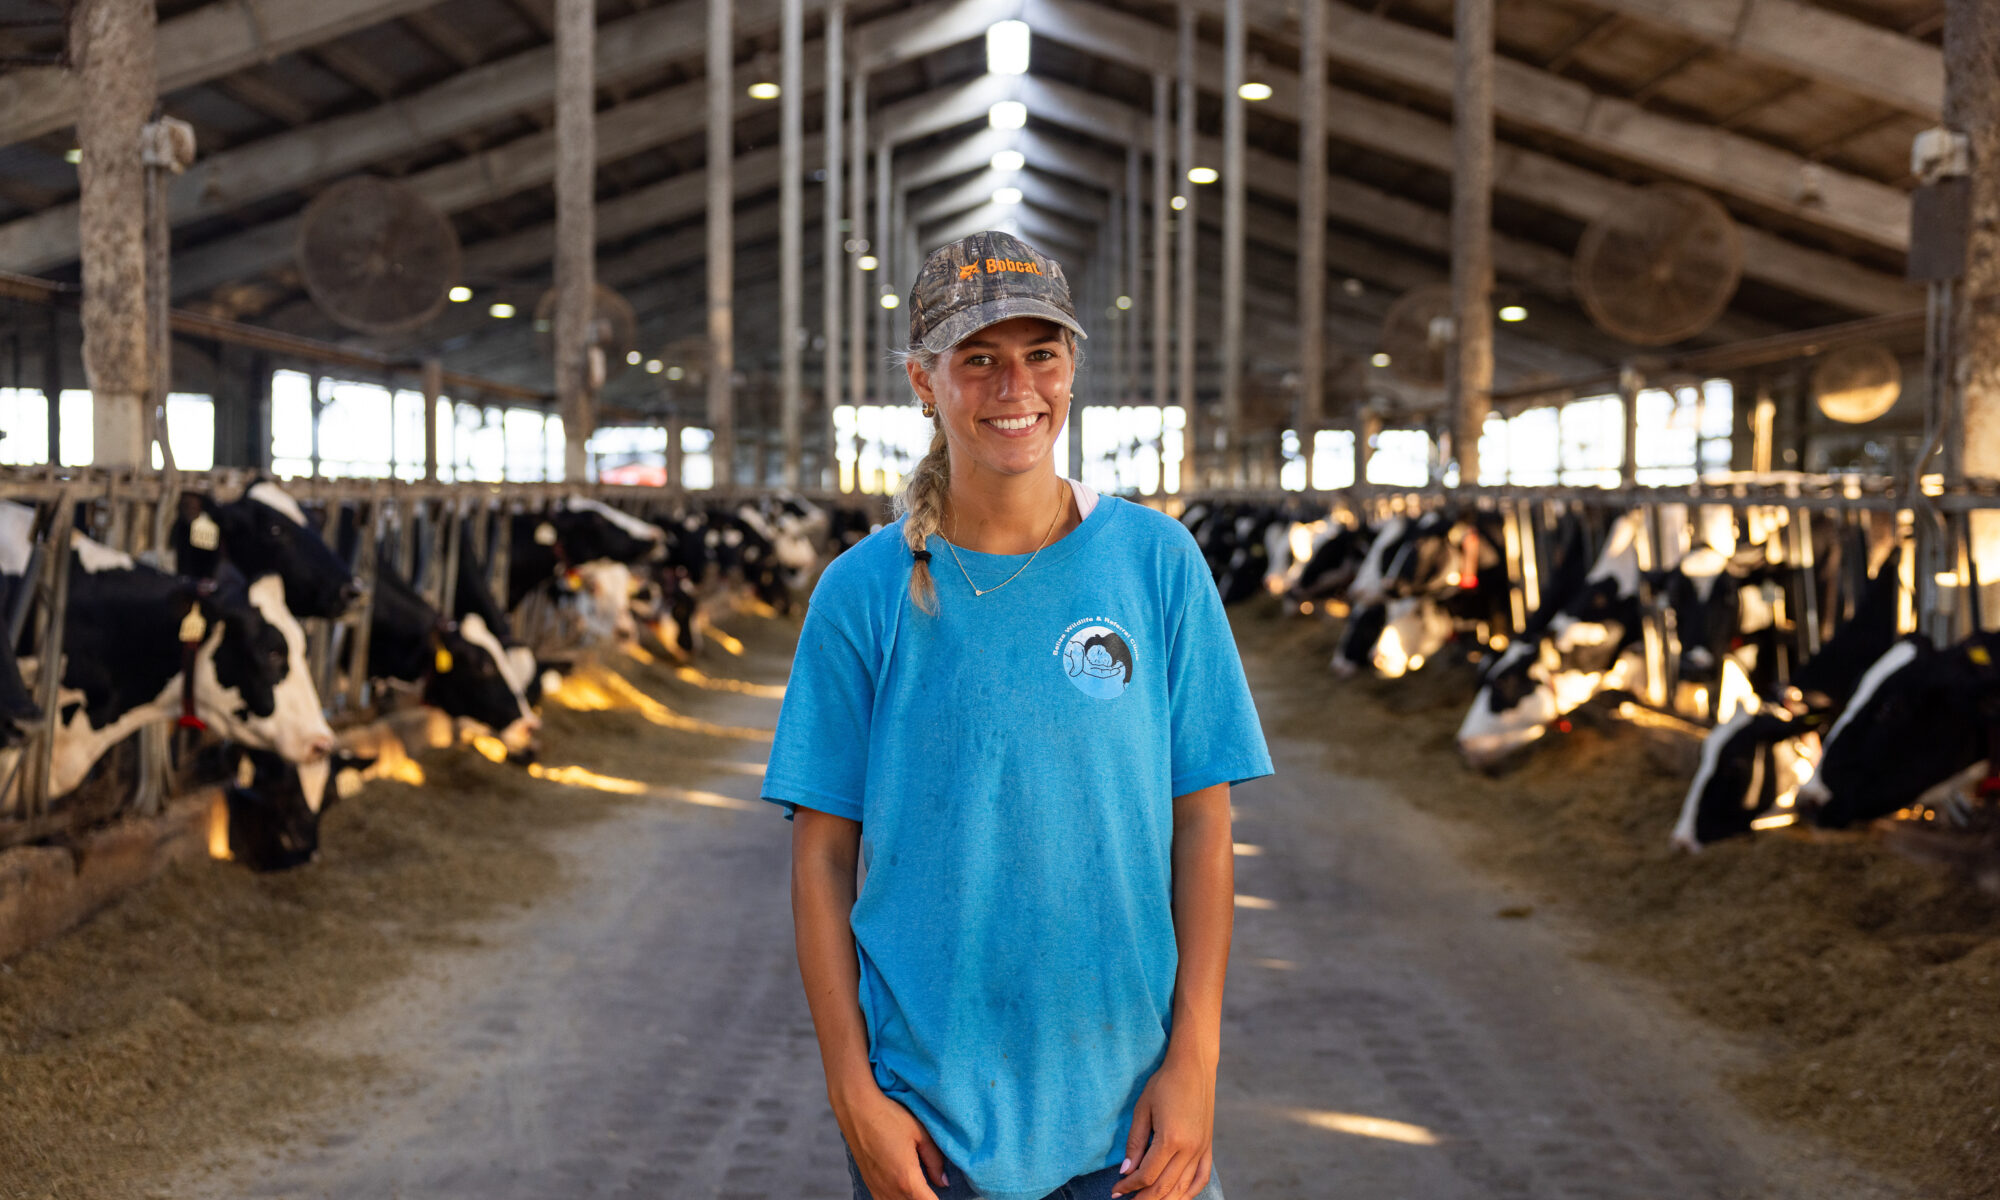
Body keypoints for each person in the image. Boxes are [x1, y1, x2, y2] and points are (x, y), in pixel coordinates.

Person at [762, 230, 1271, 1200]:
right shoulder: (863, 593)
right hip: (928, 1122)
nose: (1015, 388)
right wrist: (850, 1091)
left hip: (1130, 1118)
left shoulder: (1156, 565)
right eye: (978, 361)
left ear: (1072, 366)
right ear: (923, 381)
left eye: (1041, 354)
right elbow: (821, 855)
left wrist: (1194, 1062)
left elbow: (1203, 825)